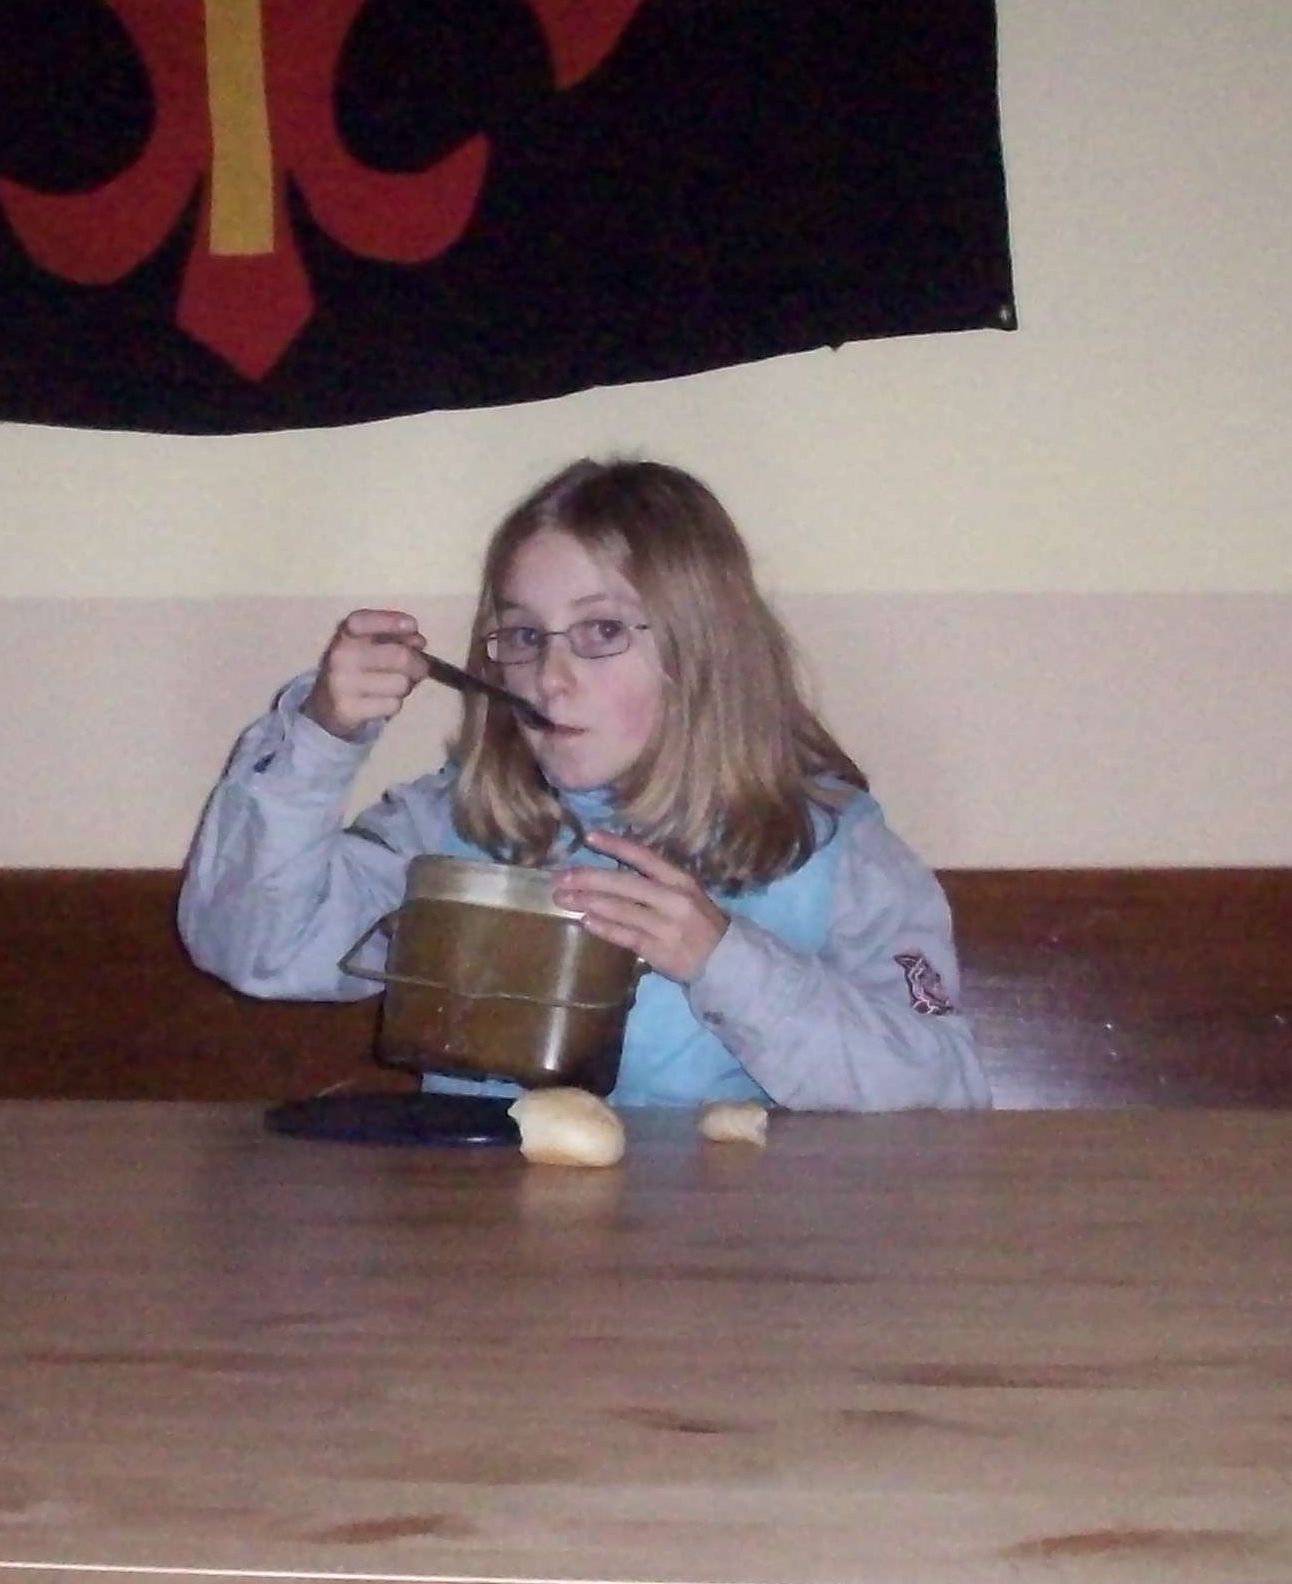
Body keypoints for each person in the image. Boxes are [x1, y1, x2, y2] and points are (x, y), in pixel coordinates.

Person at [177, 458, 989, 1111]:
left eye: (601, 630)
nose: (549, 676)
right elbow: (257, 949)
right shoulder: (460, 827)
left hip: (730, 1253)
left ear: (703, 652)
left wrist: (724, 960)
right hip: (474, 1244)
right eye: (524, 635)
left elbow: (944, 1095)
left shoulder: (828, 854)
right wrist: (319, 740)